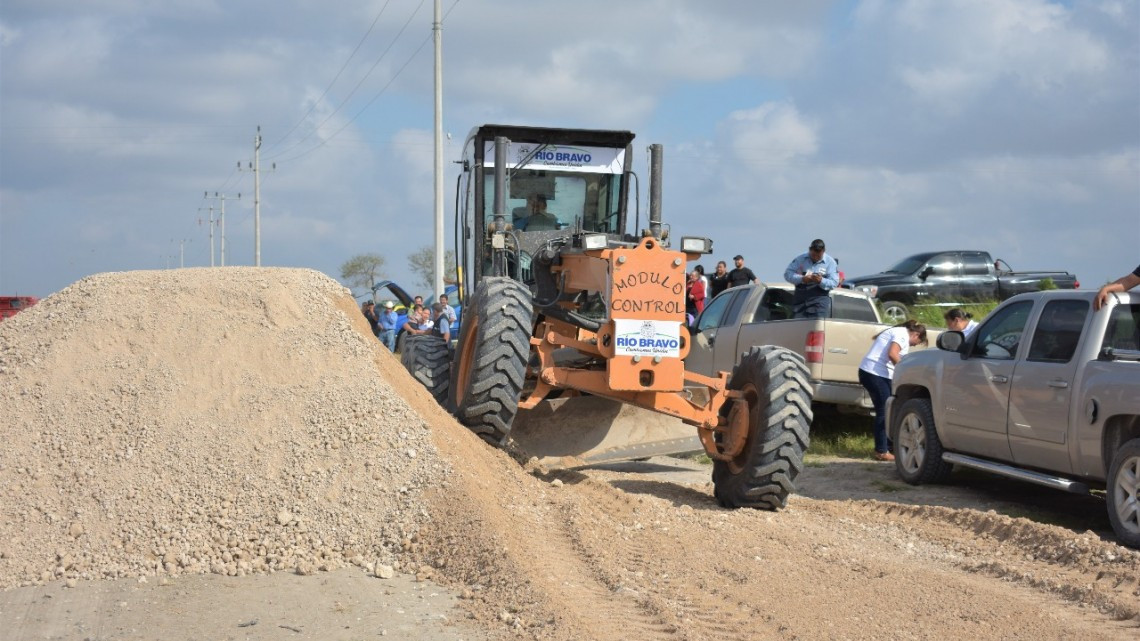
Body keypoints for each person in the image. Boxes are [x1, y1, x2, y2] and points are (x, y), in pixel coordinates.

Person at [858, 320, 928, 461]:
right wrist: (905, 372)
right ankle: (881, 451)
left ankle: (889, 447)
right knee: (885, 411)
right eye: (918, 341)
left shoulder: (898, 332)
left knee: (889, 410)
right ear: (916, 334)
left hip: (873, 373)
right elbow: (893, 354)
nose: (914, 345)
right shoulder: (902, 334)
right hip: (875, 373)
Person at [784, 239, 840, 319]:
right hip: (800, 301)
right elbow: (788, 274)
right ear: (810, 250)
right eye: (813, 255)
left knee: (817, 328)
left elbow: (834, 282)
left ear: (823, 251)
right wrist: (802, 279)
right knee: (797, 327)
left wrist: (821, 280)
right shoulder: (801, 259)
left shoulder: (830, 263)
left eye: (818, 256)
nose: (816, 258)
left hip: (819, 302)